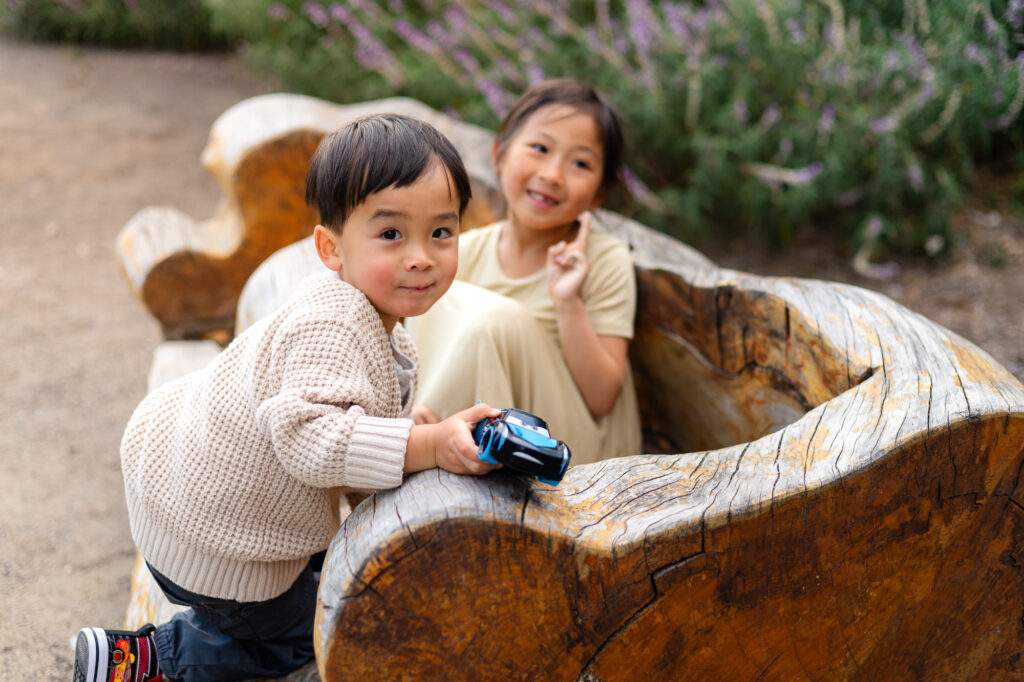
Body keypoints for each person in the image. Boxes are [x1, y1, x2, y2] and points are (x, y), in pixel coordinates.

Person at [71, 114, 500, 682]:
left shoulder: (370, 311)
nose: (421, 256)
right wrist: (426, 443)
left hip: (195, 482)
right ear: (330, 247)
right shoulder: (333, 323)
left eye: (441, 233)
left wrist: (403, 428)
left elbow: (339, 415)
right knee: (320, 625)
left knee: (337, 579)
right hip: (214, 541)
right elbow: (315, 442)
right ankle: (147, 661)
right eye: (392, 234)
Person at [408, 79, 642, 464]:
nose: (553, 174)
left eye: (580, 163)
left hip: (568, 452)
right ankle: (422, 428)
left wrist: (567, 300)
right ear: (499, 156)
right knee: (427, 288)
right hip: (474, 429)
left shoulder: (604, 260)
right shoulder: (465, 250)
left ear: (599, 193)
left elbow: (601, 400)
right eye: (540, 148)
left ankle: (423, 438)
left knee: (492, 320)